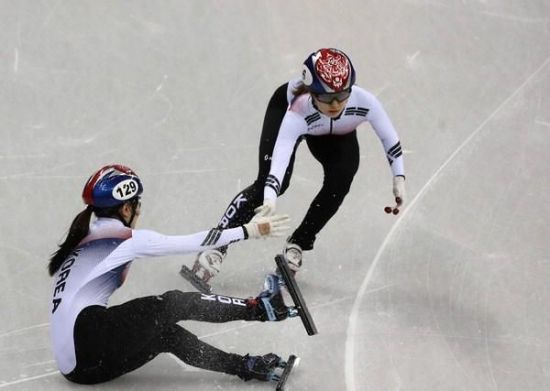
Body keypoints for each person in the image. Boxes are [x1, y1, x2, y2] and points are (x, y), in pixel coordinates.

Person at [184, 48, 406, 293]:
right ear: (311, 92)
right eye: (325, 97)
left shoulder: (364, 102)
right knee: (269, 185)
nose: (334, 104)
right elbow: (278, 162)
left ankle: (299, 243)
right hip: (294, 115)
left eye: (342, 95)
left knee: (341, 179)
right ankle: (217, 243)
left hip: (336, 131)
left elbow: (390, 138)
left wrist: (399, 176)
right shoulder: (296, 113)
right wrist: (269, 198)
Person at [48, 164, 294, 385]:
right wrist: (249, 230)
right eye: (138, 206)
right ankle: (261, 308)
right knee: (171, 304)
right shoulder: (125, 239)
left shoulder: (81, 243)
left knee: (167, 334)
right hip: (89, 342)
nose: (139, 213)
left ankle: (246, 366)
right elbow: (195, 242)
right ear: (126, 208)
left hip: (80, 370)